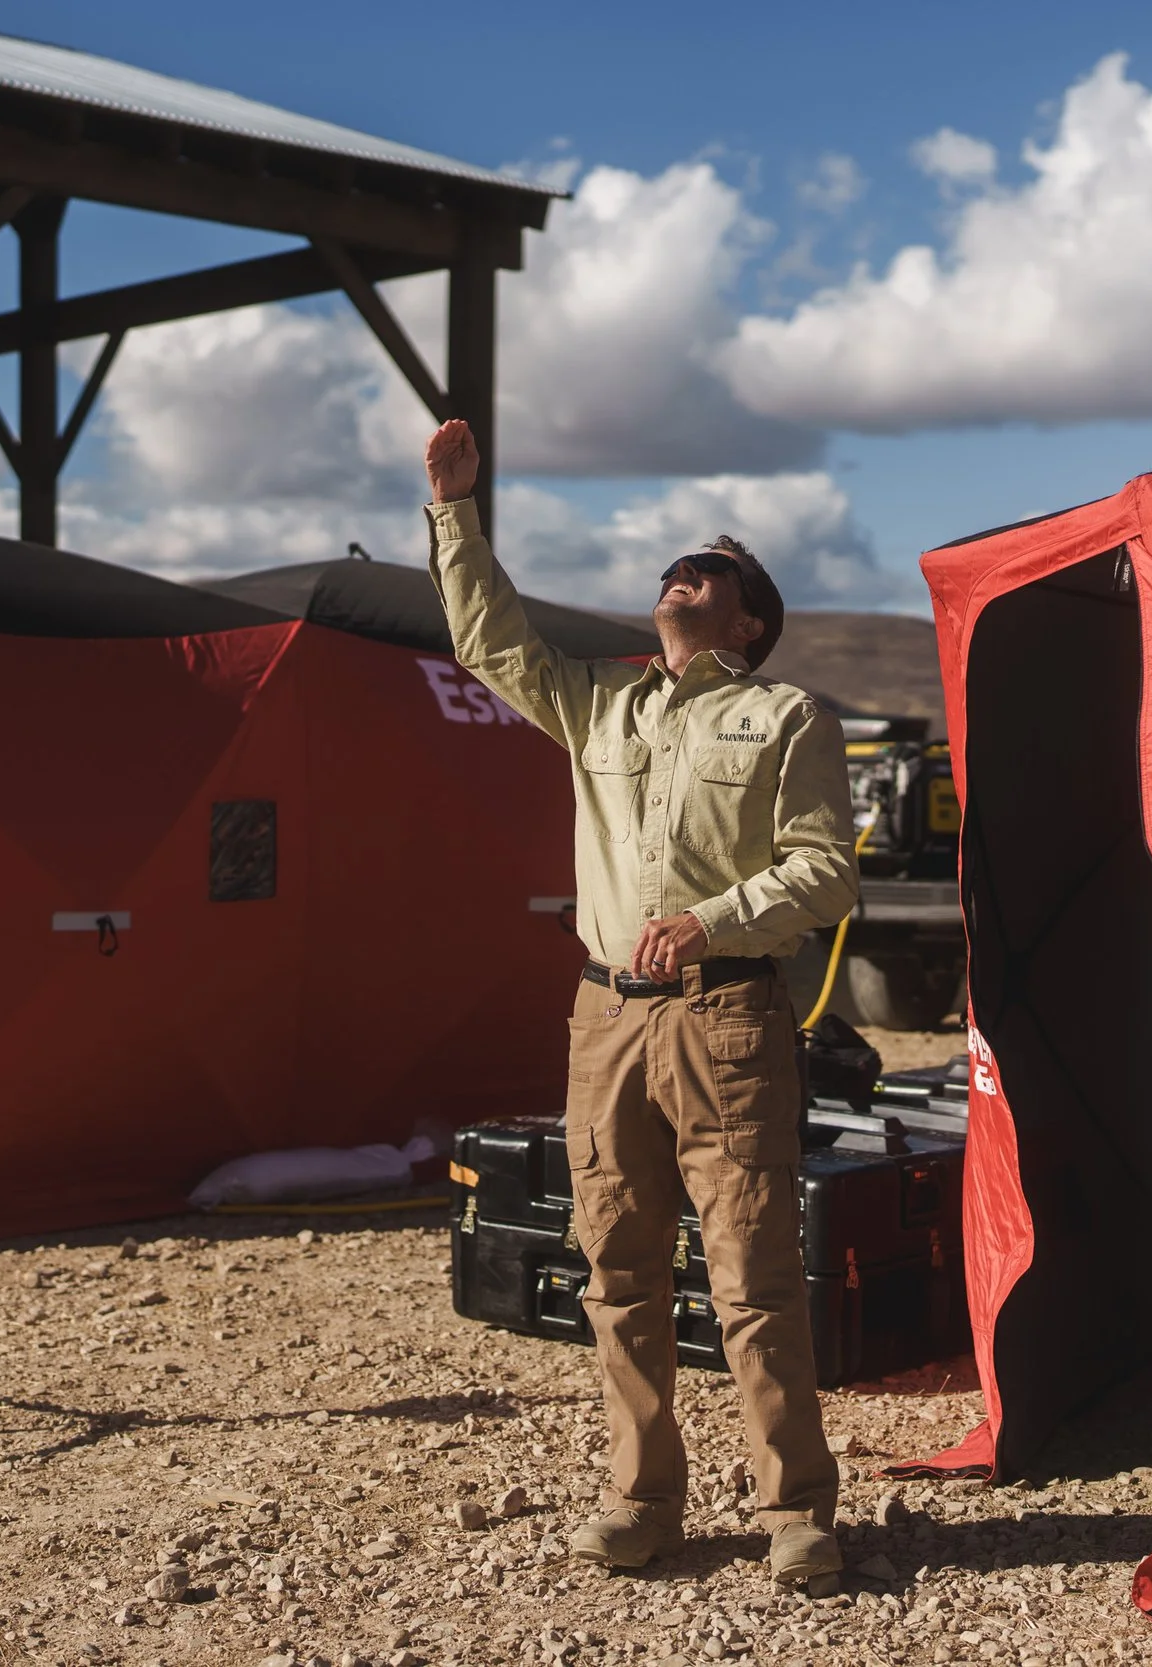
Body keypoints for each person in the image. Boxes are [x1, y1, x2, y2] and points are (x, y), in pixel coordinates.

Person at [422, 419, 859, 1586]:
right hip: (604, 1017)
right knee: (615, 1269)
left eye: (707, 572)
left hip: (725, 1018)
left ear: (746, 622)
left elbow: (826, 869)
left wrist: (709, 921)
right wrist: (455, 513)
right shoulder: (598, 708)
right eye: (677, 565)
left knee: (752, 1271)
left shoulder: (786, 719)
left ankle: (796, 1510)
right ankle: (641, 1498)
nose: (681, 573)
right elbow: (487, 639)